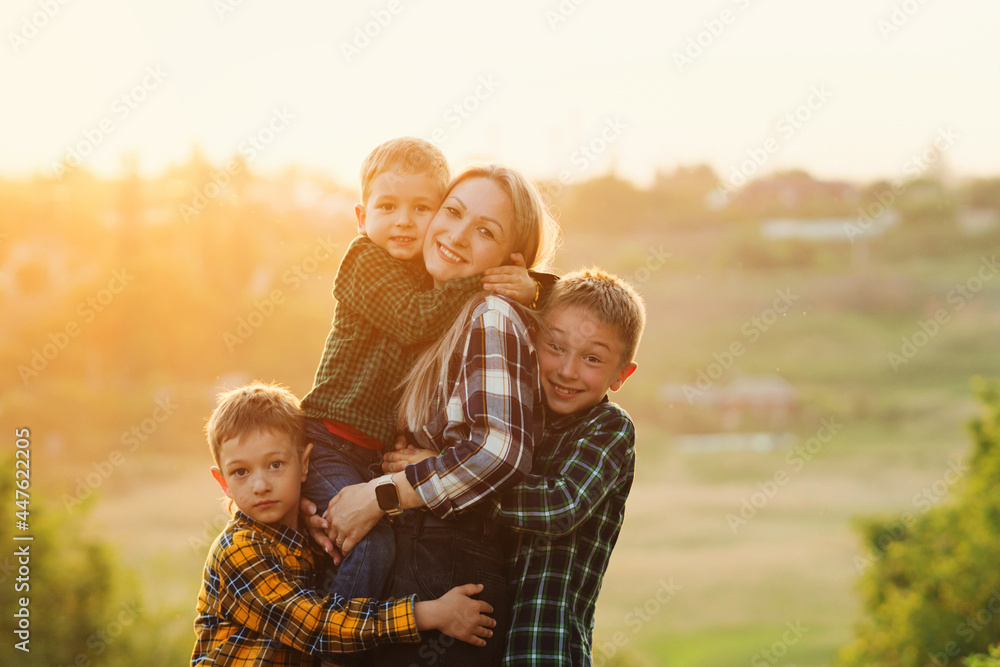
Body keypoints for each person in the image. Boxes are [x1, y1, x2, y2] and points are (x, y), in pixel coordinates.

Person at [309, 163, 560, 666]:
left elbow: (499, 450)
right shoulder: (434, 308)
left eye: (484, 231)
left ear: (509, 262)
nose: (457, 235)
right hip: (422, 571)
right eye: (452, 212)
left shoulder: (489, 312)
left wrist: (380, 496)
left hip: (447, 570)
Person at [192, 382, 497, 666]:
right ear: (223, 483)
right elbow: (319, 629)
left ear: (305, 464)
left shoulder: (312, 533)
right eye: (241, 472)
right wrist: (429, 614)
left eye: (275, 465)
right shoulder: (240, 551)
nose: (260, 485)